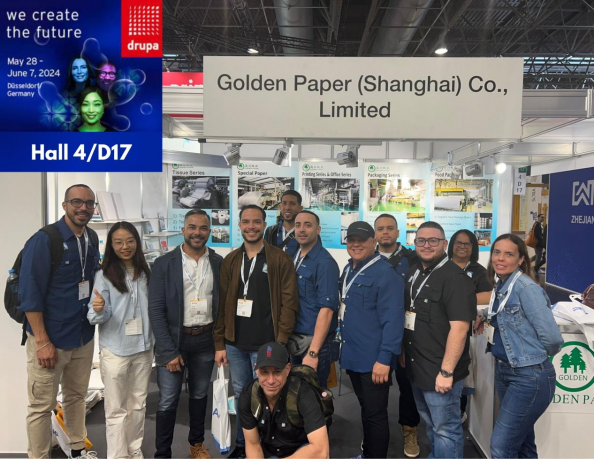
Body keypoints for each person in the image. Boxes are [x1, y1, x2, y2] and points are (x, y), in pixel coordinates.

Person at [18, 184, 100, 459]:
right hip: (50, 339)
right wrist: (42, 341)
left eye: (89, 203)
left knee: (77, 398)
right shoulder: (44, 240)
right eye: (77, 202)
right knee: (41, 407)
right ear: (65, 205)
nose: (83, 208)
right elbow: (30, 294)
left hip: (82, 336)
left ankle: (77, 450)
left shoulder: (91, 238)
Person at [215, 204, 299, 458]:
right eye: (246, 222)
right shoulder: (231, 260)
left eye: (256, 222)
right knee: (243, 395)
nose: (251, 226)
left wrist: (281, 340)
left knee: (269, 395)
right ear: (239, 225)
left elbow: (289, 303)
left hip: (267, 343)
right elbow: (222, 303)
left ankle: (268, 445)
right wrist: (220, 343)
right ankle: (243, 445)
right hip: (235, 343)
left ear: (264, 225)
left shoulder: (279, 259)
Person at [474, 234, 563, 459]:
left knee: (501, 447)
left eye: (509, 254)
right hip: (506, 371)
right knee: (523, 444)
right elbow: (505, 311)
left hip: (528, 376)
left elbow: (552, 338)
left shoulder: (526, 288)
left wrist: (534, 360)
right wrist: (483, 314)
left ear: (521, 259)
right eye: (497, 252)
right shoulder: (502, 284)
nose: (500, 258)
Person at [148, 210, 223, 459]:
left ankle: (197, 446)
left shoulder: (218, 262)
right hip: (174, 341)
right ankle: (163, 454)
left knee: (200, 395)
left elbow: (221, 306)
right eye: (192, 227)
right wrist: (168, 351)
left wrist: (219, 343)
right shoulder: (164, 264)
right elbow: (156, 310)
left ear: (209, 231)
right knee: (168, 400)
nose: (197, 233)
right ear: (183, 230)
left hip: (205, 340)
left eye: (203, 228)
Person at [403, 221, 476, 459]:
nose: (426, 245)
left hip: (440, 370)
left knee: (446, 429)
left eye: (433, 240)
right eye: (421, 240)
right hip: (418, 365)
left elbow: (460, 329)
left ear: (444, 244)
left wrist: (446, 372)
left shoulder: (455, 278)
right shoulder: (415, 271)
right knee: (432, 423)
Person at [88, 222, 153, 459]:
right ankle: (117, 455)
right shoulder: (103, 276)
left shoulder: (146, 272)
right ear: (111, 246)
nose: (125, 246)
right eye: (118, 242)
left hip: (144, 349)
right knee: (116, 409)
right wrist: (98, 308)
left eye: (130, 241)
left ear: (137, 242)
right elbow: (95, 317)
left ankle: (134, 449)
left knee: (138, 405)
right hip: (115, 350)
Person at [340, 221, 404, 459]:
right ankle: (368, 454)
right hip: (353, 354)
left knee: (376, 415)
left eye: (362, 240)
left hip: (374, 360)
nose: (356, 244)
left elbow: (393, 320)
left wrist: (385, 359)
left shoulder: (386, 273)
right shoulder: (348, 269)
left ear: (373, 242)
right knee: (366, 410)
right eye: (352, 240)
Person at [374, 214, 420, 458]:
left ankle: (410, 429)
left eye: (390, 228)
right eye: (380, 229)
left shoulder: (412, 259)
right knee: (375, 386)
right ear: (375, 234)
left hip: (406, 334)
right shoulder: (367, 259)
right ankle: (374, 431)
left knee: (407, 385)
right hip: (375, 334)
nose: (385, 232)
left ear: (398, 232)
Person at [238, 342, 330, 459]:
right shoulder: (248, 395)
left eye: (277, 372)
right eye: (264, 372)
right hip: (269, 452)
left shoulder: (304, 394)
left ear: (287, 369)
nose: (271, 381)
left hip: (302, 452)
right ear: (256, 370)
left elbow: (321, 451)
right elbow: (253, 444)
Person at [289, 211, 339, 387]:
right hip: (295, 339)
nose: (302, 229)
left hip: (314, 343)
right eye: (298, 225)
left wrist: (313, 353)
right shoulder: (295, 256)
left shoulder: (324, 262)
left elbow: (327, 310)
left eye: (308, 225)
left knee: (314, 395)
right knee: (296, 394)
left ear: (318, 229)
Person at [448, 229, 493, 422]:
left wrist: (458, 299)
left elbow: (489, 295)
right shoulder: (441, 266)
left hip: (467, 329)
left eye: (467, 244)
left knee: (461, 370)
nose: (462, 247)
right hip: (441, 328)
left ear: (473, 247)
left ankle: (459, 412)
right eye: (458, 242)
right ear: (452, 244)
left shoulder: (479, 271)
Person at [264, 190, 303, 257]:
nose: (287, 208)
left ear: (300, 208)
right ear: (280, 207)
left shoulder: (308, 233)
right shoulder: (271, 231)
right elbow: (265, 255)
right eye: (284, 203)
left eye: (292, 203)